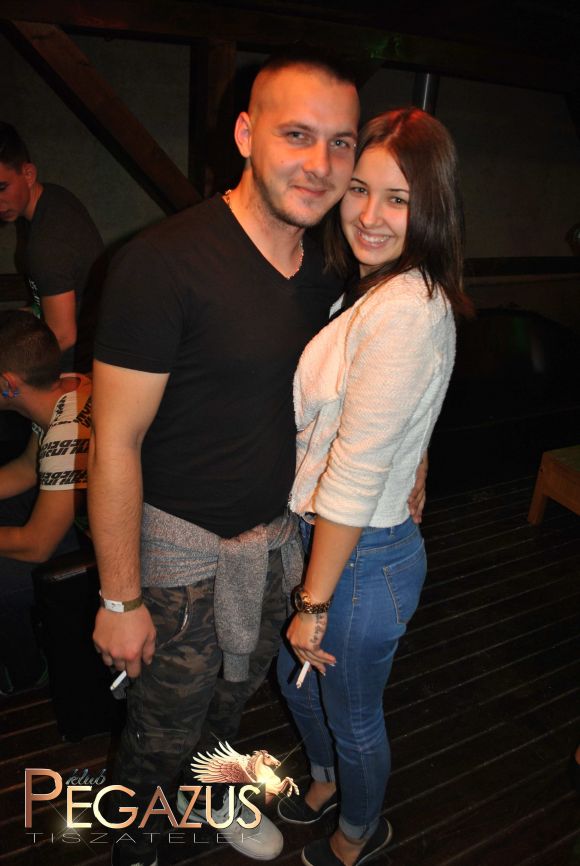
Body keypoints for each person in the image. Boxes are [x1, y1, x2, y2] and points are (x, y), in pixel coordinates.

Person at [88, 50, 361, 865]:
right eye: (296, 135)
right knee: (161, 728)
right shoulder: (161, 264)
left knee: (232, 706)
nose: (320, 164)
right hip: (175, 560)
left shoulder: (330, 267)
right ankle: (137, 839)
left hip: (271, 548)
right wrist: (119, 597)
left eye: (341, 143)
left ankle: (213, 796)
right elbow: (114, 442)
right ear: (246, 134)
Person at [276, 108, 473, 866]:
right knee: (298, 685)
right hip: (332, 543)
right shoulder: (373, 291)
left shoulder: (406, 310)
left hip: (361, 557)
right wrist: (416, 461)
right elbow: (386, 417)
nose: (369, 215)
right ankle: (327, 781)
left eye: (397, 199)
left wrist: (312, 604)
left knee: (351, 712)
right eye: (359, 189)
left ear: (432, 208)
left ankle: (358, 834)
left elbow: (356, 472)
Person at [0, 310, 91, 692]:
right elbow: (27, 469)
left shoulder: (68, 433)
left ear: (8, 384)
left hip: (106, 542)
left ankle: (27, 675)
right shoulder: (66, 388)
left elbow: (37, 546)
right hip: (77, 513)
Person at [0, 123, 105, 372]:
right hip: (93, 346)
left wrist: (11, 372)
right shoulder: (54, 197)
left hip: (74, 369)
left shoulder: (46, 245)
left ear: (28, 174)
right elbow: (49, 302)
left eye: (2, 188)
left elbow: (63, 335)